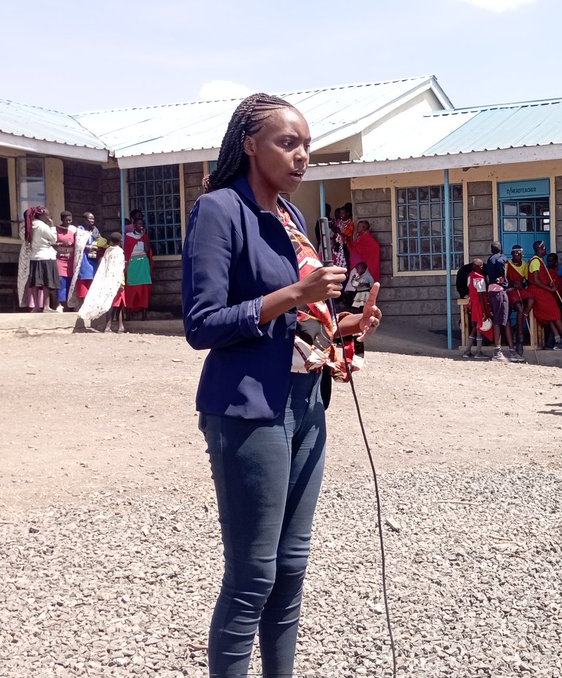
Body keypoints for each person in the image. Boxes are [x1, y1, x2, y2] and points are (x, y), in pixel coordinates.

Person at [181, 93, 380, 678]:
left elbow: (295, 320)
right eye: (287, 143)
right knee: (253, 577)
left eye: (307, 146)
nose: (301, 156)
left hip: (306, 402)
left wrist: (344, 325)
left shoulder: (291, 217)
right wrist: (296, 293)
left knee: (291, 568)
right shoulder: (219, 210)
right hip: (249, 409)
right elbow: (201, 324)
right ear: (249, 144)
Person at [528, 241, 562, 350]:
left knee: (550, 315)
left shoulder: (539, 261)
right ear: (541, 248)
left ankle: (558, 339)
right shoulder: (535, 261)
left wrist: (549, 283)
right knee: (555, 312)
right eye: (544, 248)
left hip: (542, 290)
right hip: (538, 291)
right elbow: (535, 280)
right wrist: (549, 289)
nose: (546, 249)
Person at [79, 231, 126, 333]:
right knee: (118, 304)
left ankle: (114, 326)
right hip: (117, 280)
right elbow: (119, 268)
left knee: (109, 303)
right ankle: (115, 326)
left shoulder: (108, 251)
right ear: (120, 241)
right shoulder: (119, 252)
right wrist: (120, 281)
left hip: (108, 279)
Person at [484, 243, 522, 362]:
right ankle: (498, 352)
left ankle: (511, 350)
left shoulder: (490, 259)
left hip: (492, 291)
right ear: (501, 249)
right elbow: (502, 276)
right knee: (500, 321)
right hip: (499, 292)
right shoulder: (501, 259)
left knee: (504, 320)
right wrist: (505, 281)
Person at [22, 206, 58, 312]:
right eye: (47, 215)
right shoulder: (43, 226)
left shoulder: (30, 225)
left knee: (35, 283)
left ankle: (36, 306)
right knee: (47, 282)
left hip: (34, 257)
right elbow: (54, 239)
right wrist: (52, 226)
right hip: (46, 256)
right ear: (41, 215)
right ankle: (46, 306)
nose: (49, 217)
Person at [68, 212, 101, 308]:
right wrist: (90, 247)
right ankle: (83, 303)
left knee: (92, 279)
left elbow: (99, 240)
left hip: (93, 259)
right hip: (83, 258)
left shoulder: (95, 230)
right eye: (90, 218)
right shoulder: (80, 230)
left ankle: (90, 303)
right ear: (84, 220)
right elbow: (78, 245)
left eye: (93, 218)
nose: (92, 220)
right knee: (83, 279)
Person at [123, 211, 153, 319]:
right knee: (131, 288)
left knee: (144, 288)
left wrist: (143, 236)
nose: (141, 226)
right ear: (134, 225)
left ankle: (144, 315)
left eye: (142, 224)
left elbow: (147, 249)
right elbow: (127, 252)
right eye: (139, 224)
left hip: (143, 263)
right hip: (132, 264)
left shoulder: (144, 236)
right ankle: (129, 313)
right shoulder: (128, 236)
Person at [463, 257, 494, 359]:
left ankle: (467, 351)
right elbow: (481, 295)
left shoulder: (470, 276)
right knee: (480, 327)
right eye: (481, 266)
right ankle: (478, 352)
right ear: (479, 267)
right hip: (479, 305)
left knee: (474, 328)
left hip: (473, 304)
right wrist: (485, 312)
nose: (482, 267)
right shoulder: (479, 278)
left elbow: (469, 287)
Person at [505, 244, 533, 354]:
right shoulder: (507, 264)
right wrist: (512, 283)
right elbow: (504, 281)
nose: (518, 255)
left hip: (520, 289)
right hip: (511, 290)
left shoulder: (525, 264)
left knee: (531, 299)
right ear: (512, 254)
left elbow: (526, 280)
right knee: (519, 308)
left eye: (519, 253)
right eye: (515, 253)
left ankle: (519, 324)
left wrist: (522, 284)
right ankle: (519, 337)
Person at [53, 211, 77, 311]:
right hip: (59, 258)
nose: (68, 222)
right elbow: (51, 242)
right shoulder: (55, 230)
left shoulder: (74, 230)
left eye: (70, 220)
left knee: (70, 281)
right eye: (66, 220)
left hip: (70, 260)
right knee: (60, 281)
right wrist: (57, 244)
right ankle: (59, 304)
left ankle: (69, 305)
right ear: (62, 220)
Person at [349, 219, 380, 283]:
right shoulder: (360, 236)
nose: (357, 228)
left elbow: (370, 249)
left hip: (364, 266)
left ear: (364, 227)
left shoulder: (367, 238)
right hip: (357, 265)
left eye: (359, 226)